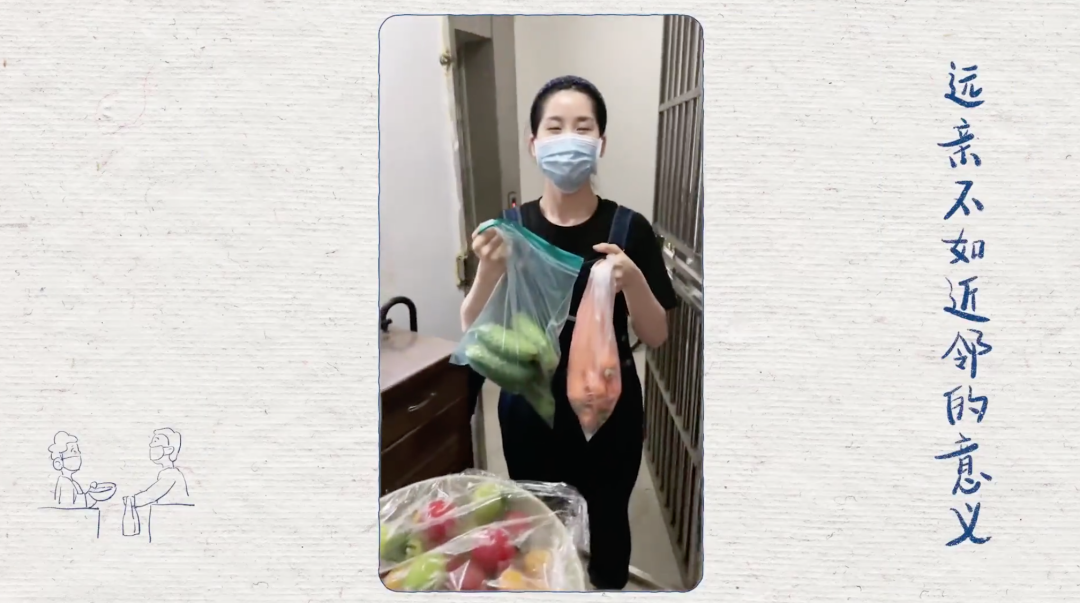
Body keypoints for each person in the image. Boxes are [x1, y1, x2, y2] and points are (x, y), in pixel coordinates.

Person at [460, 75, 678, 590]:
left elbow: (657, 334)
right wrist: (489, 270)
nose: (568, 139)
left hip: (607, 409)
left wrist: (633, 281)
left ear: (601, 143)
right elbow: (473, 327)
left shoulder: (629, 229)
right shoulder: (510, 228)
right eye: (554, 128)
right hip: (529, 407)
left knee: (608, 524)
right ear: (534, 143)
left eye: (583, 127)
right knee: (538, 527)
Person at [124, 428, 190, 509]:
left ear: (169, 449)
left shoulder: (171, 474)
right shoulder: (167, 473)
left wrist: (133, 500)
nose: (151, 445)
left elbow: (152, 494)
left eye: (155, 442)